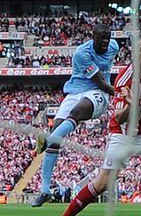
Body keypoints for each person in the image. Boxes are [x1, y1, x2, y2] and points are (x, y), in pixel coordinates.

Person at [61, 38, 141, 216]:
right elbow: (118, 117)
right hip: (123, 134)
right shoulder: (124, 79)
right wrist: (131, 106)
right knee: (103, 183)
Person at [32, 23, 119, 207]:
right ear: (93, 36)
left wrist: (119, 94)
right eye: (102, 37)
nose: (105, 41)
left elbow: (103, 86)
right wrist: (121, 93)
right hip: (76, 91)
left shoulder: (114, 46)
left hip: (97, 94)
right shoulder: (82, 54)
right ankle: (45, 190)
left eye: (108, 37)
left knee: (76, 113)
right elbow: (101, 81)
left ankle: (48, 139)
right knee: (56, 138)